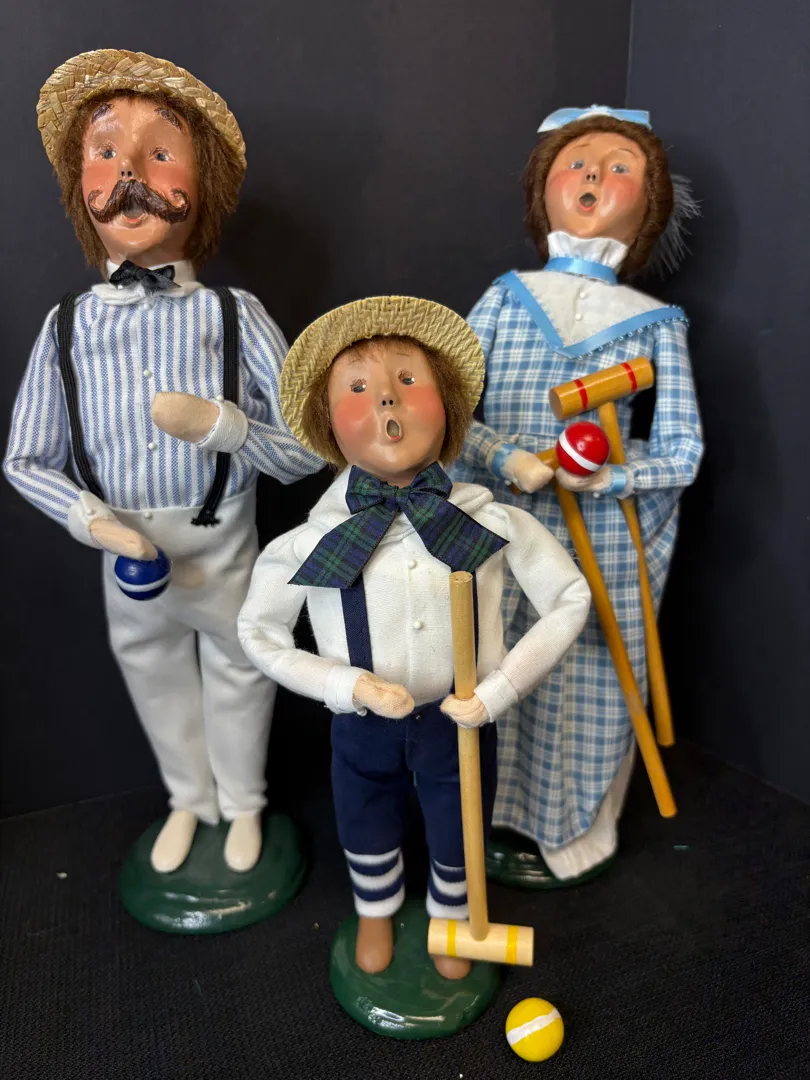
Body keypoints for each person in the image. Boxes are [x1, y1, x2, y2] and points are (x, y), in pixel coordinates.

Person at [4, 50, 322, 875]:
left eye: (160, 152)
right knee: (153, 676)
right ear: (78, 183)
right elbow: (24, 459)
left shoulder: (234, 314)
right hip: (127, 558)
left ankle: (243, 804)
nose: (131, 174)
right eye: (106, 151)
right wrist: (95, 523)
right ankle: (189, 798)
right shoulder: (66, 327)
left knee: (242, 671)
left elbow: (306, 451)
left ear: (201, 182)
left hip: (222, 547)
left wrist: (223, 428)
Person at [237, 295, 590, 976]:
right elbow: (258, 631)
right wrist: (344, 684)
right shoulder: (310, 542)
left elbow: (569, 597)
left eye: (407, 379)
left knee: (460, 822)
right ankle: (375, 910)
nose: (386, 399)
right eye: (358, 387)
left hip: (460, 724)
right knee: (362, 812)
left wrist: (498, 691)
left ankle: (451, 916)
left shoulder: (489, 522)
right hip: (362, 723)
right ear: (327, 422)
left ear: (448, 407)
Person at [449, 105, 704, 885]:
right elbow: (449, 411)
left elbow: (683, 448)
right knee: (495, 658)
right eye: (578, 162)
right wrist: (504, 456)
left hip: (603, 536)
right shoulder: (504, 297)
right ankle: (483, 814)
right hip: (503, 517)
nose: (595, 173)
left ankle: (573, 829)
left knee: (587, 669)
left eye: (620, 166)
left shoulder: (655, 322)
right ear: (542, 191)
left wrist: (611, 476)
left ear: (649, 204)